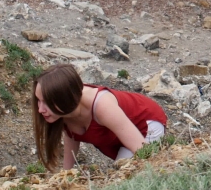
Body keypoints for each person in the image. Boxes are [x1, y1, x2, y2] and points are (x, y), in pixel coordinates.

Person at [32, 64, 167, 171]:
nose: (40, 109)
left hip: (145, 127)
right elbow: (72, 135)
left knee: (123, 177)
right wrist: (66, 174)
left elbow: (142, 151)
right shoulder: (64, 112)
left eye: (47, 103)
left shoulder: (102, 107)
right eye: (39, 100)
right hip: (119, 136)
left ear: (65, 99)